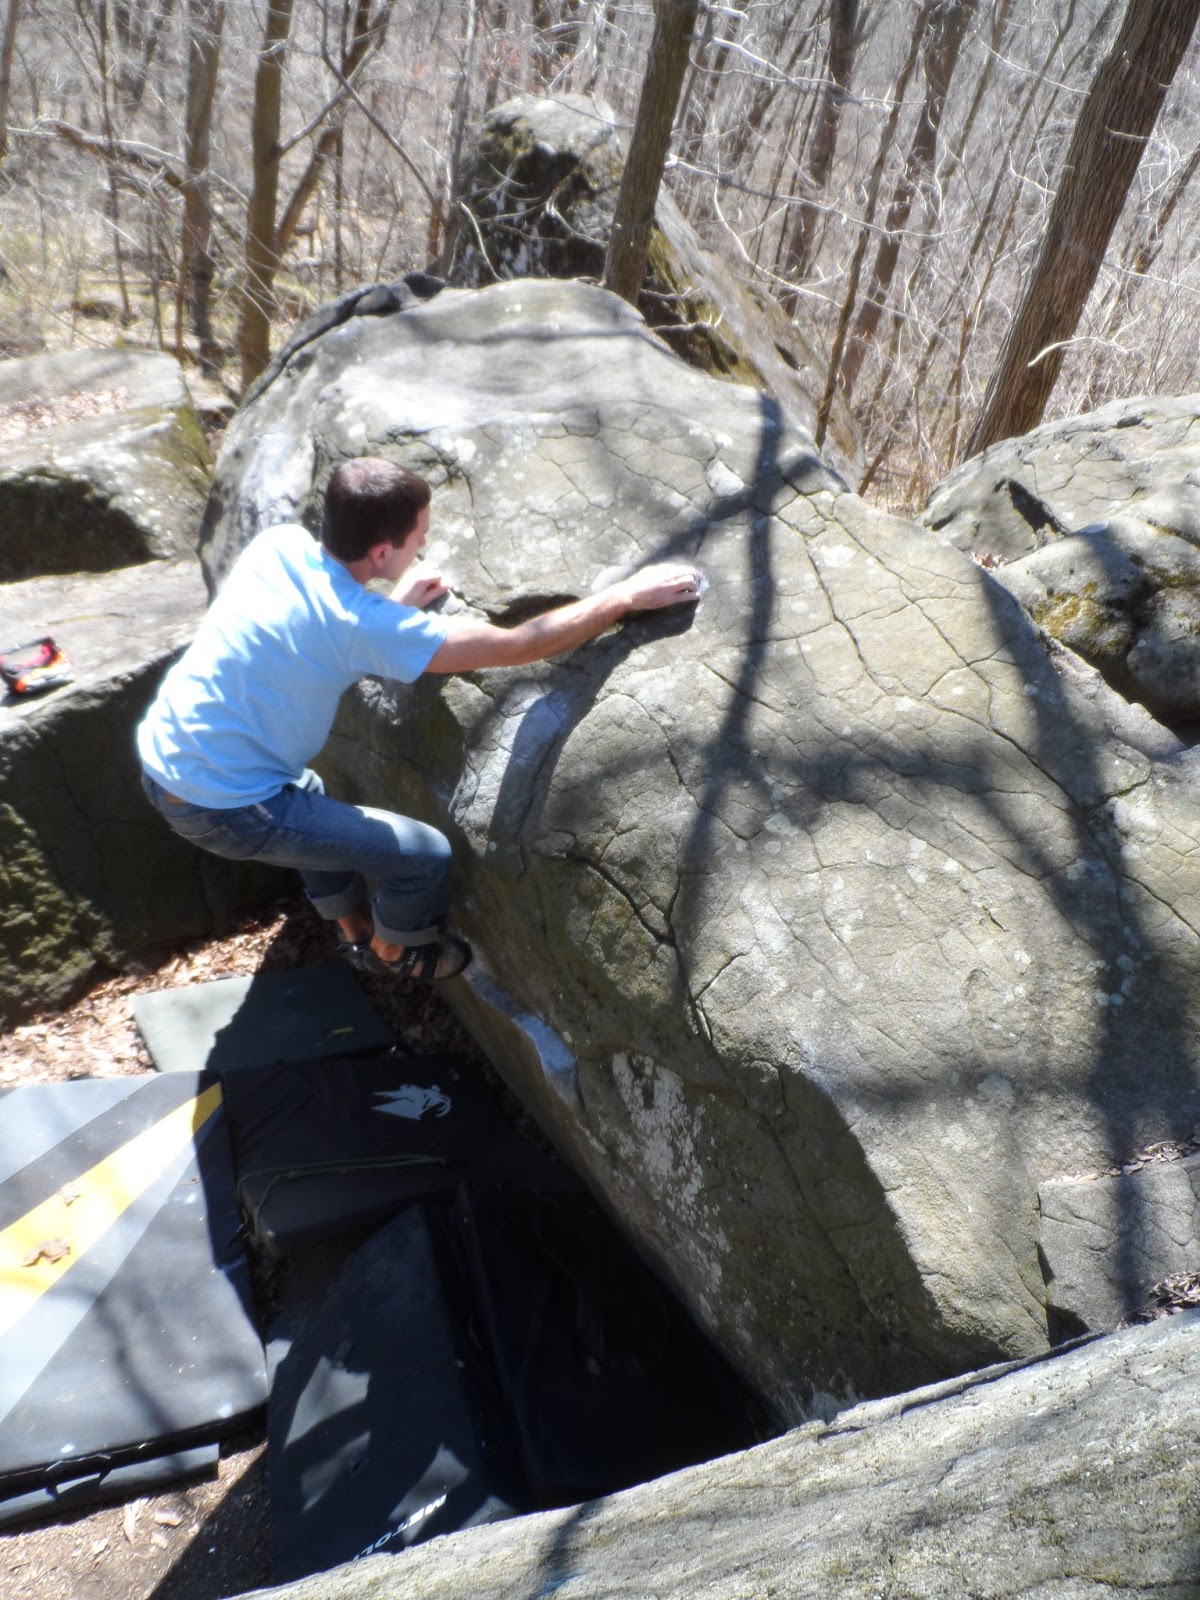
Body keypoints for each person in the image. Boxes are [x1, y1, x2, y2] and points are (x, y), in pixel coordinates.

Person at [138, 456, 701, 981]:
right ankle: (396, 950)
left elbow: (309, 634)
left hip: (166, 757)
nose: (426, 542)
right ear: (381, 552)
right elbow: (516, 647)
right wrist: (623, 597)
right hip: (226, 807)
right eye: (419, 537)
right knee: (425, 856)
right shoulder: (358, 622)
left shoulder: (278, 547)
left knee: (306, 789)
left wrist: (389, 608)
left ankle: (347, 921)